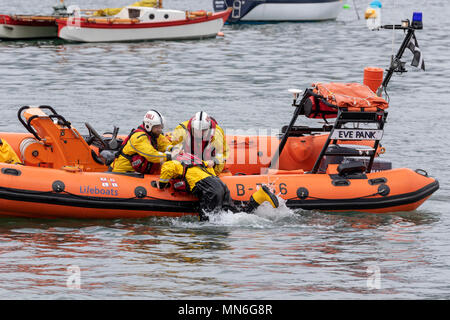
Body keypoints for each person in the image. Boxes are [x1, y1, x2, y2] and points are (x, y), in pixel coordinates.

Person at [155, 152, 279, 221]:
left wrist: (161, 184)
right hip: (220, 185)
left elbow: (167, 169)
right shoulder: (200, 164)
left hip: (210, 190)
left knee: (207, 222)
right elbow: (211, 169)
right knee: (235, 215)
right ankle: (259, 196)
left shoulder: (174, 163)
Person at [111, 110, 172, 174]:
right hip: (123, 172)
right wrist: (168, 156)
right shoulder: (139, 138)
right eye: (157, 127)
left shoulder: (155, 135)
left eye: (161, 127)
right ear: (148, 126)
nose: (159, 130)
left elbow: (164, 144)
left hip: (136, 171)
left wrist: (173, 149)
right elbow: (151, 155)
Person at [171, 111, 229, 175]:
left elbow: (221, 154)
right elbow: (174, 149)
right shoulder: (181, 129)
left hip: (208, 161)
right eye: (197, 130)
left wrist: (214, 172)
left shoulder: (217, 133)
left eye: (203, 131)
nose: (200, 133)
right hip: (188, 158)